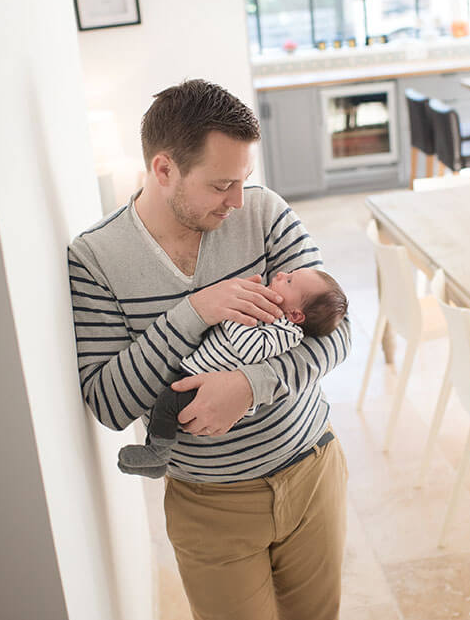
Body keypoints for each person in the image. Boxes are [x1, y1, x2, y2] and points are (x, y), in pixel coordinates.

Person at [68, 79, 351, 620]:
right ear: (164, 169)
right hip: (211, 505)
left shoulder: (263, 212)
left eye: (244, 179)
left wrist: (249, 386)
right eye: (222, 184)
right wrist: (194, 312)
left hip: (313, 470)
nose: (237, 201)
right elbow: (108, 403)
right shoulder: (96, 259)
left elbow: (338, 330)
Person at [117, 267, 348, 479]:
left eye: (288, 280)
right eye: (288, 273)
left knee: (167, 403)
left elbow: (250, 350)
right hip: (197, 370)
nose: (279, 274)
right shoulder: (268, 312)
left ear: (296, 315)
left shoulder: (285, 331)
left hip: (206, 385)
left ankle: (157, 454)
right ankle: (155, 453)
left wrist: (232, 313)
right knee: (164, 406)